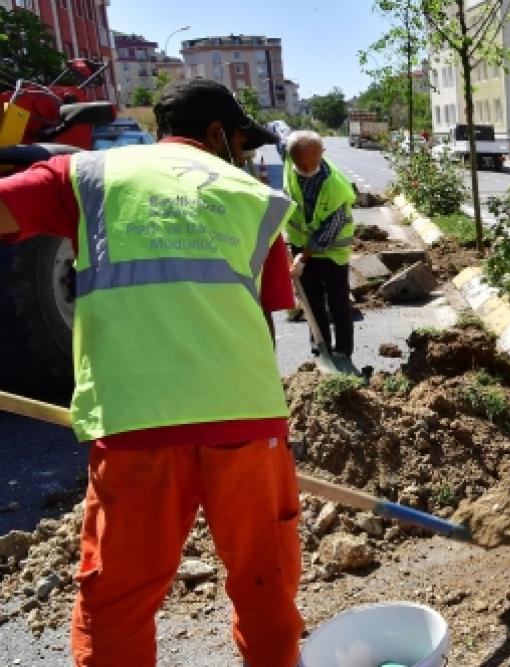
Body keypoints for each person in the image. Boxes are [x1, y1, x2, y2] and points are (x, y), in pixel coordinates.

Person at [0, 79, 304, 665]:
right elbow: (263, 324)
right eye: (241, 142)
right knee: (265, 584)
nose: (243, 156)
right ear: (216, 132)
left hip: (136, 422)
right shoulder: (253, 196)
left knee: (117, 601)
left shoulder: (87, 177)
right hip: (246, 419)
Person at [283, 130, 358, 364]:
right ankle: (320, 350)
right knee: (311, 302)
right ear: (291, 158)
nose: (307, 169)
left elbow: (329, 230)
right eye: (301, 165)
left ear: (322, 153)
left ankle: (343, 353)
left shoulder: (334, 185)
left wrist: (303, 258)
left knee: (338, 303)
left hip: (332, 251)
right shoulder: (289, 168)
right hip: (301, 246)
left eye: (313, 163)